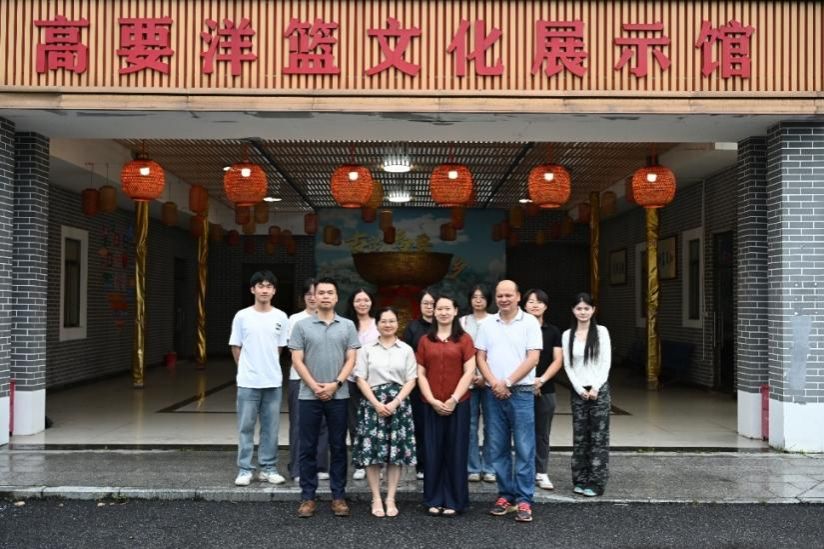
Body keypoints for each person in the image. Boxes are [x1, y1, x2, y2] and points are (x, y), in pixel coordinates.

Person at [290, 277, 361, 518]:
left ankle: (338, 496)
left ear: (337, 297)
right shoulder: (301, 326)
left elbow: (351, 358)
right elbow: (297, 360)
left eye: (330, 292)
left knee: (338, 446)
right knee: (307, 447)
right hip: (308, 396)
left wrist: (335, 384)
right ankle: (308, 497)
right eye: (321, 293)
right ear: (314, 296)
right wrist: (314, 386)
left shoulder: (347, 325)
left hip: (339, 395)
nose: (325, 296)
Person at [475, 280, 542, 523]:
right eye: (500, 295)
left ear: (518, 296)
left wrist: (508, 382)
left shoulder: (530, 322)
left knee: (524, 447)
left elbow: (533, 358)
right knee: (497, 447)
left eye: (508, 295)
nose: (504, 299)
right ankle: (505, 495)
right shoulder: (487, 324)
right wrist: (495, 382)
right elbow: (480, 357)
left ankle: (524, 499)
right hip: (493, 392)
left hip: (521, 392)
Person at [352, 307, 418, 518]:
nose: (388, 325)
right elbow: (360, 378)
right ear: (377, 324)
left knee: (394, 454)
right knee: (372, 454)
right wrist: (375, 403)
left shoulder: (406, 349)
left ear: (398, 324)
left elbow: (411, 379)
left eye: (392, 321)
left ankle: (390, 497)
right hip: (373, 404)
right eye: (384, 321)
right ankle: (376, 497)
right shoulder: (366, 349)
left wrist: (396, 402)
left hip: (398, 405)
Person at [416, 294, 476, 516]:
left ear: (455, 311)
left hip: (458, 404)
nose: (443, 312)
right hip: (430, 404)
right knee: (433, 452)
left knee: (456, 452)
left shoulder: (465, 339)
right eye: (439, 309)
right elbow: (420, 373)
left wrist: (454, 399)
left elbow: (469, 371)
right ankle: (433, 498)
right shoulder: (425, 340)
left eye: (447, 308)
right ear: (434, 312)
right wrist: (432, 400)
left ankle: (454, 500)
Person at [228, 271, 289, 486]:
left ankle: (268, 468)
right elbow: (236, 346)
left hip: (272, 381)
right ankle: (244, 469)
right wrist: (245, 369)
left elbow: (279, 347)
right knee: (246, 427)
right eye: (260, 286)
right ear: (252, 289)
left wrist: (266, 366)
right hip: (248, 382)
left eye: (269, 286)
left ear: (274, 291)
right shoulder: (242, 316)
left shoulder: (281, 317)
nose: (264, 290)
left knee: (271, 428)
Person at [562, 292, 612, 498]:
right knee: (580, 437)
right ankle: (580, 479)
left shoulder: (601, 332)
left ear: (593, 310)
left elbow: (606, 362)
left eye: (586, 308)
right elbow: (568, 365)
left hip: (599, 390)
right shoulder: (567, 335)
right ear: (573, 310)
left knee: (599, 438)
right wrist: (579, 389)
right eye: (579, 308)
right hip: (579, 391)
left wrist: (596, 388)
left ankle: (596, 482)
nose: (582, 312)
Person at [287, 278, 329, 483]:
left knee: (323, 424)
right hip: (299, 379)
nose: (313, 298)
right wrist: (310, 379)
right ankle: (298, 468)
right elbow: (294, 354)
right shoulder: (295, 320)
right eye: (308, 294)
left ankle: (320, 466)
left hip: (325, 380)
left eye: (317, 293)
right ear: (303, 297)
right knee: (299, 424)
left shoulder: (330, 319)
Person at [523, 289, 563, 491]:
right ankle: (525, 472)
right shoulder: (518, 330)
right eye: (531, 301)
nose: (535, 305)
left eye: (539, 302)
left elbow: (558, 360)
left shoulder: (553, 331)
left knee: (542, 433)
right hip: (522, 387)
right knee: (522, 433)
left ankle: (541, 472)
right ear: (524, 305)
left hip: (546, 389)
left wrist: (541, 381)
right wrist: (529, 381)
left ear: (546, 306)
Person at [459, 284, 495, 483]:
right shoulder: (462, 322)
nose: (478, 300)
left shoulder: (496, 320)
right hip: (468, 381)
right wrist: (471, 375)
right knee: (470, 425)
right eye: (474, 297)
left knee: (492, 425)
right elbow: (460, 352)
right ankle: (472, 467)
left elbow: (497, 352)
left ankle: (489, 467)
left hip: (491, 381)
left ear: (488, 299)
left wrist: (486, 377)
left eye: (482, 297)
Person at [401, 287, 437, 480]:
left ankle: (439, 462)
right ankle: (421, 465)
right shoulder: (412, 327)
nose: (429, 307)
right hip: (417, 383)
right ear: (420, 305)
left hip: (441, 382)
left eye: (432, 304)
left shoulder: (444, 326)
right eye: (425, 303)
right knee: (421, 424)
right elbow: (406, 355)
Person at [345, 288, 379, 481]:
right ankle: (359, 463)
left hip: (375, 381)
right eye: (358, 300)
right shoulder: (347, 325)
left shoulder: (378, 323)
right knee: (355, 423)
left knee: (376, 422)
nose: (362, 303)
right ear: (352, 303)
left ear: (371, 302)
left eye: (366, 300)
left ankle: (376, 461)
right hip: (352, 379)